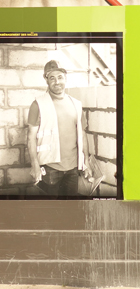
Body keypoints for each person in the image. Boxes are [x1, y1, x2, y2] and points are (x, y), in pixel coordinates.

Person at [27, 60, 94, 196]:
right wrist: (35, 166)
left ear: (65, 78)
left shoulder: (76, 104)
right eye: (52, 78)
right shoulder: (37, 104)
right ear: (46, 80)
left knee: (69, 210)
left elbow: (82, 134)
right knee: (50, 211)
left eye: (60, 77)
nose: (57, 82)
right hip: (50, 169)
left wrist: (86, 162)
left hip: (73, 169)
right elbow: (30, 138)